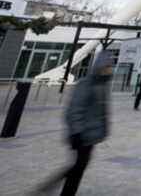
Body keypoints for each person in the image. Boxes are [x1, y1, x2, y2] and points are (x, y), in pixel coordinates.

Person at [38, 52, 112, 195]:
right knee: (79, 166)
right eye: (107, 66)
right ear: (99, 66)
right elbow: (75, 109)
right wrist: (76, 131)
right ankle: (57, 188)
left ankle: (52, 186)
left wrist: (104, 128)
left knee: (79, 165)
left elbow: (102, 110)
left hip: (92, 134)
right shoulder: (86, 83)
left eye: (110, 66)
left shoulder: (103, 84)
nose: (109, 69)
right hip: (82, 133)